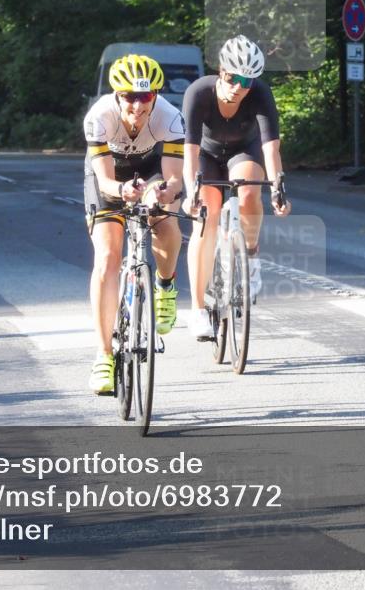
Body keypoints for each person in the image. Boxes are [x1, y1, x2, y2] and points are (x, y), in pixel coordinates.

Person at [83, 54, 185, 393]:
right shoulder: (99, 116)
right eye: (130, 96)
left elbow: (173, 181)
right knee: (108, 259)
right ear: (117, 94)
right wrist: (123, 190)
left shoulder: (170, 118)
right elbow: (105, 181)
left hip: (151, 169)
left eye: (146, 96)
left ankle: (165, 285)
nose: (138, 105)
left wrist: (163, 194)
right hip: (110, 178)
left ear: (155, 95)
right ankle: (104, 355)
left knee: (166, 221)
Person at [182, 35, 291, 340]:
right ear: (221, 71)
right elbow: (188, 152)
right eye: (232, 78)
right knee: (207, 215)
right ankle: (198, 309)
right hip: (206, 154)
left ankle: (251, 257)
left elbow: (271, 149)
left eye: (247, 81)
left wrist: (278, 189)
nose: (239, 87)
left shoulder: (260, 95)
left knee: (248, 192)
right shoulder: (198, 93)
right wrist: (191, 191)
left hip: (245, 149)